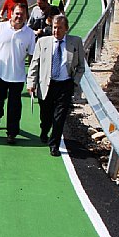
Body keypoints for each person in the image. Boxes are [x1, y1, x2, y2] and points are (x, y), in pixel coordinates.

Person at [27, 15, 85, 156]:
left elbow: (81, 67)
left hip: (65, 85)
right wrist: (31, 82)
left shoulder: (75, 42)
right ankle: (44, 129)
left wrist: (74, 82)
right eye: (54, 27)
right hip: (47, 84)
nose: (56, 31)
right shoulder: (42, 42)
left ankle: (54, 145)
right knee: (46, 116)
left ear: (66, 29)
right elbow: (35, 64)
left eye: (59, 28)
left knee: (59, 118)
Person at [0, 3, 36, 144]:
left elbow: (32, 57)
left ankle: (11, 133)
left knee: (14, 106)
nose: (19, 17)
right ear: (11, 14)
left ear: (26, 16)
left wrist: (32, 77)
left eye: (22, 14)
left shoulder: (30, 34)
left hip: (17, 77)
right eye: (17, 13)